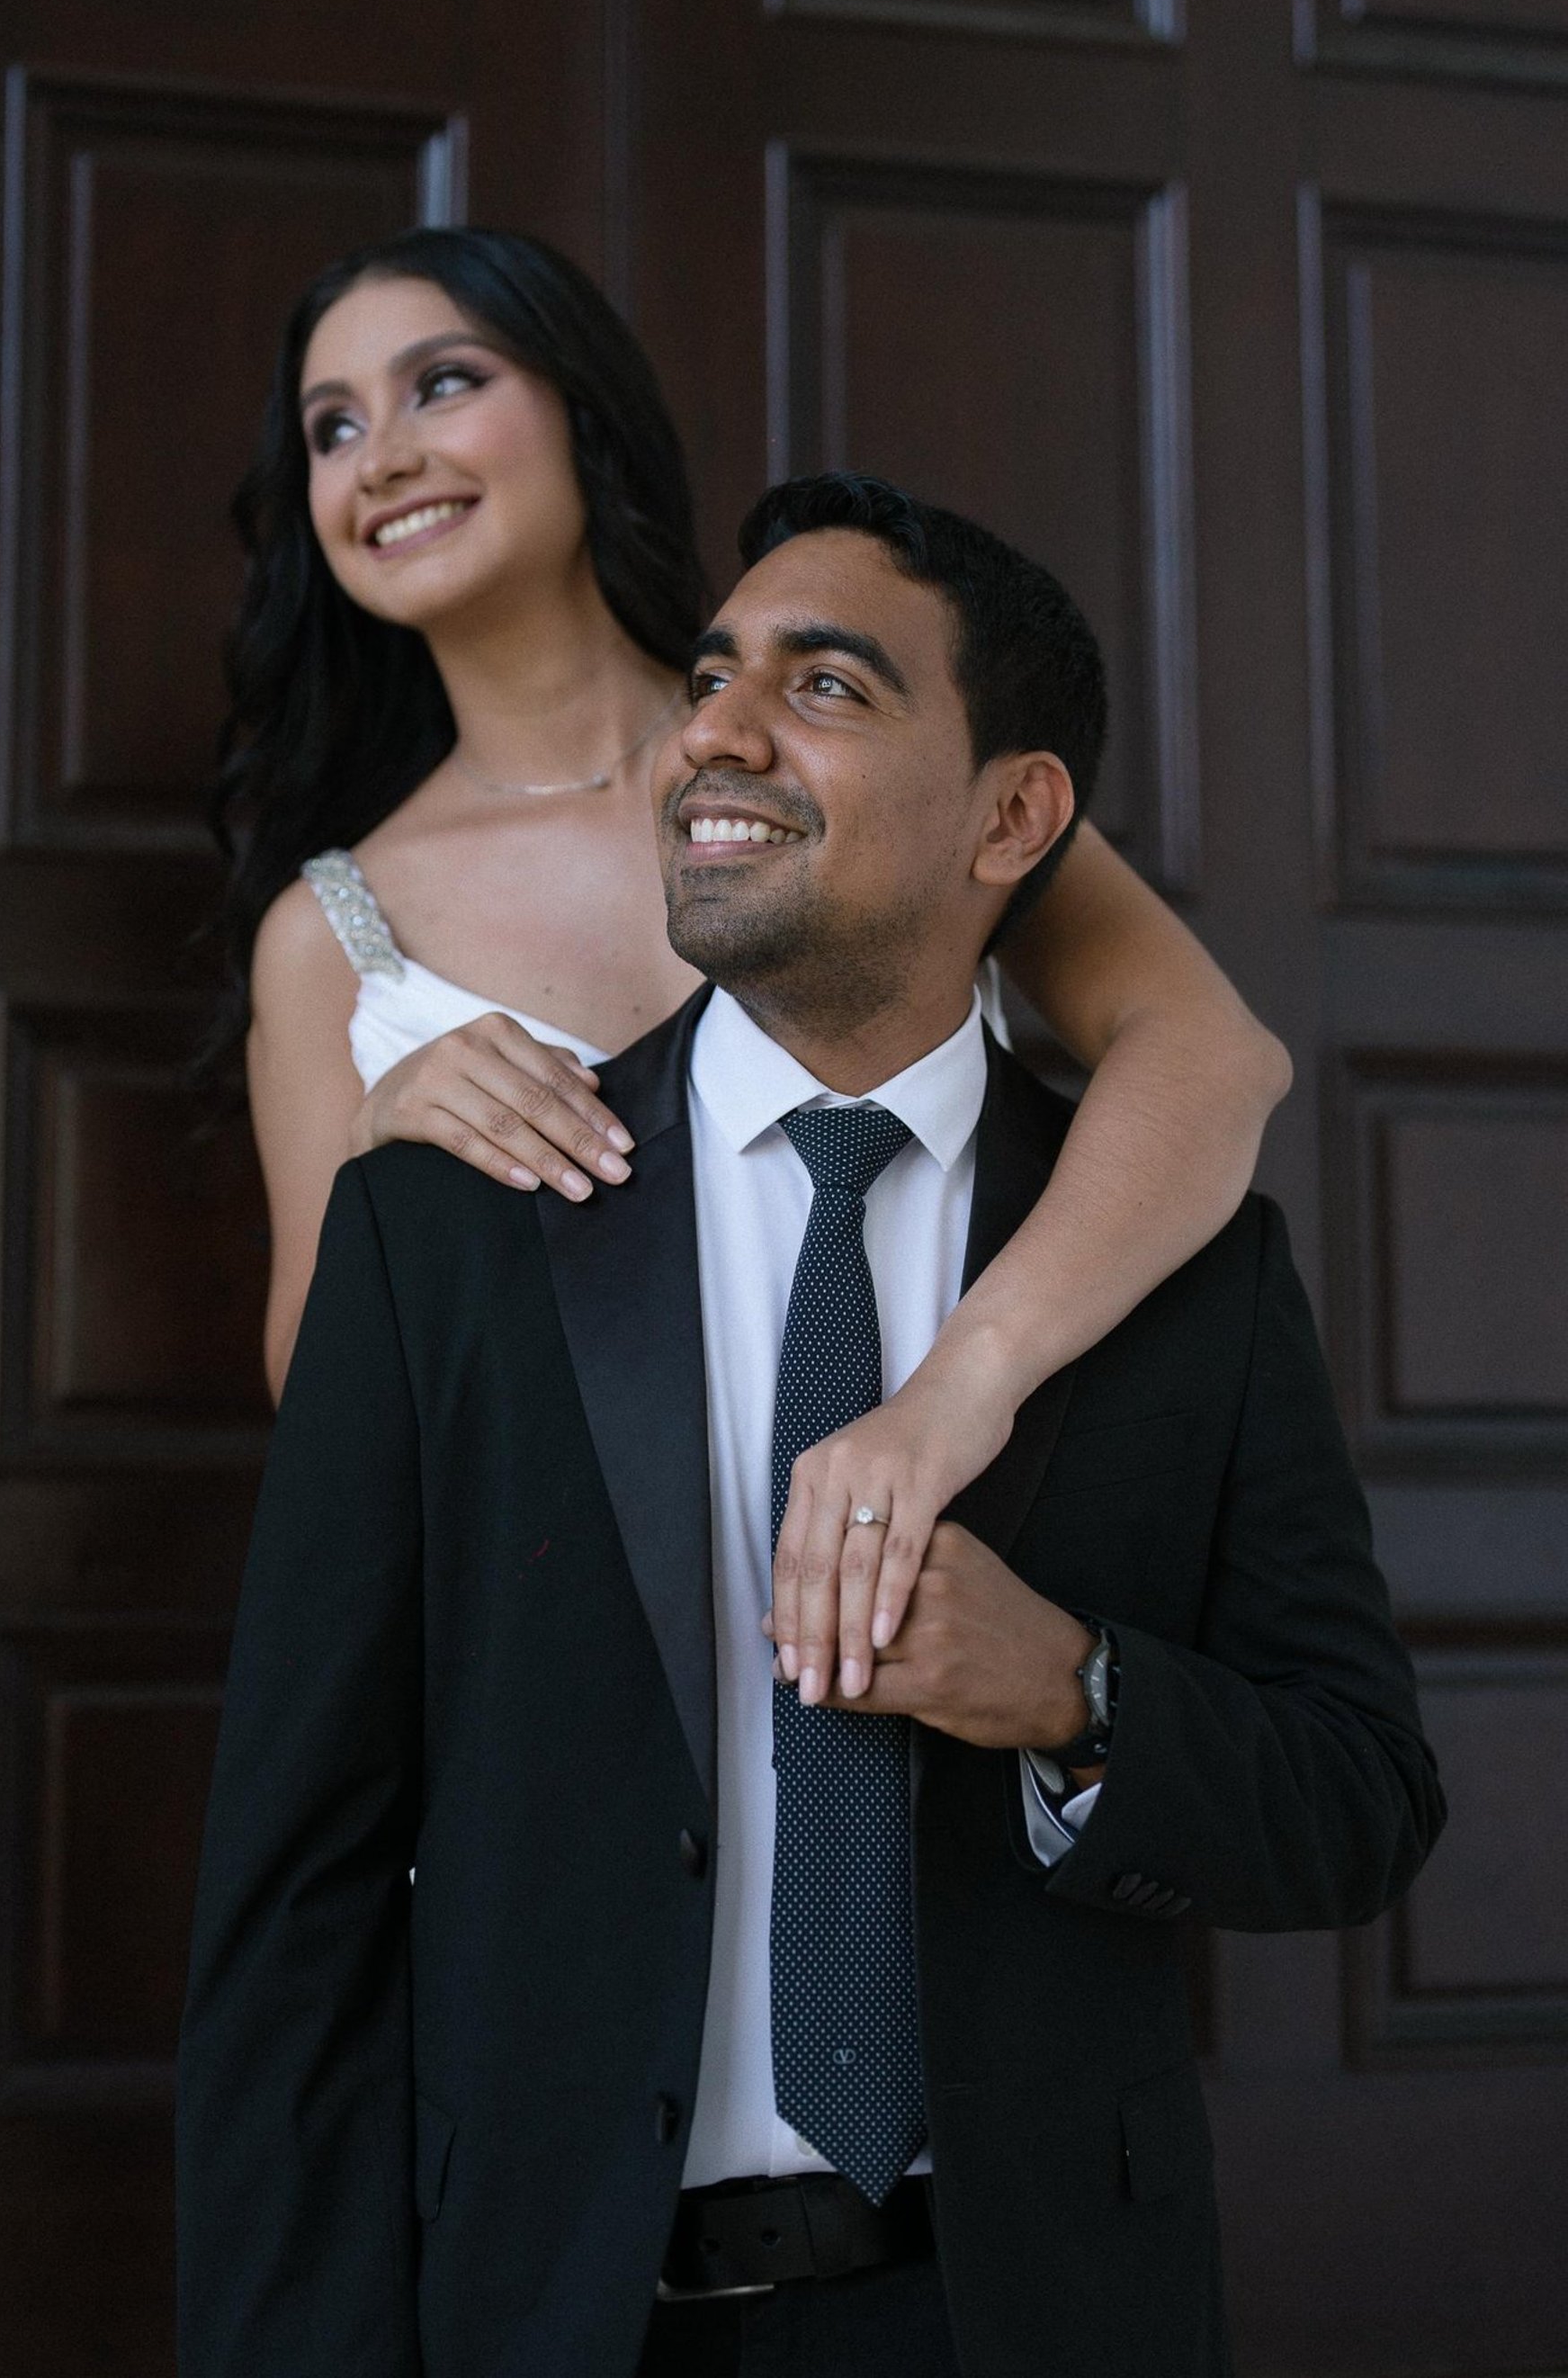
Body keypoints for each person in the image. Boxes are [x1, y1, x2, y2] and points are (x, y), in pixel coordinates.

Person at [178, 474, 1443, 2378]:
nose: (717, 733)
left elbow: (1359, 1803)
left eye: (827, 685)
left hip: (1024, 2319)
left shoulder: (1189, 1275)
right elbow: (293, 1893)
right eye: (710, 675)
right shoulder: (447, 1232)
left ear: (1013, 814)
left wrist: (1074, 1695)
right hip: (554, 2317)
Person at [213, 225, 1292, 1698]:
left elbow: (1216, 1059)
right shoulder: (331, 929)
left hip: (940, 1587)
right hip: (577, 1683)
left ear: (580, 409)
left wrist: (960, 1392)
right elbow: (315, 1397)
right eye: (332, 426)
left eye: (440, 384)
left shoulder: (872, 768)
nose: (381, 454)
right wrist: (374, 1140)